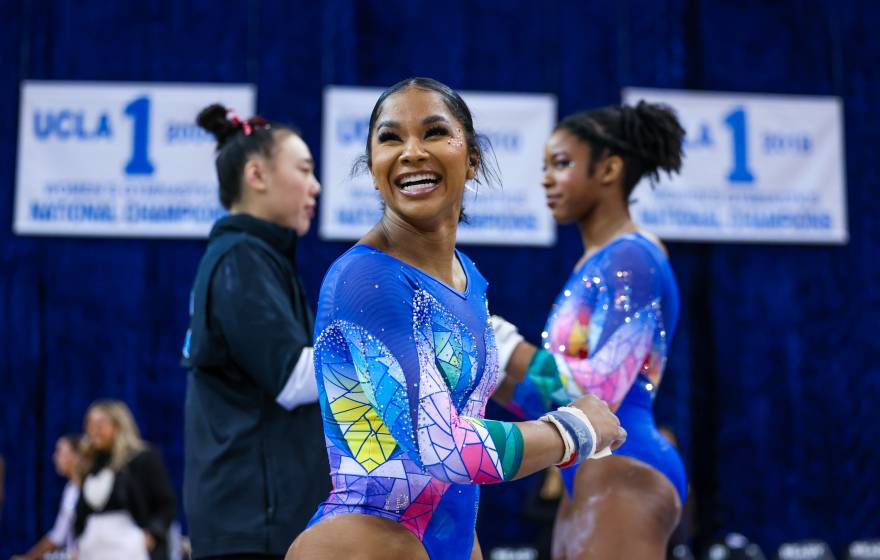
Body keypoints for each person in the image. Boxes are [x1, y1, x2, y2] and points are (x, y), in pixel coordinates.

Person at [288, 77, 627, 560]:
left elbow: (471, 420)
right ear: (373, 168)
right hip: (363, 542)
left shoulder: (468, 277)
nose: (411, 152)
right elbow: (441, 446)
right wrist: (574, 430)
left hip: (446, 540)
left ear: (472, 160)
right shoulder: (366, 278)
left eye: (434, 132)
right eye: (390, 138)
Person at [490, 101, 687, 559]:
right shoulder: (594, 262)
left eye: (561, 164)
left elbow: (600, 393)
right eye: (544, 167)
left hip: (628, 464)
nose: (546, 179)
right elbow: (559, 400)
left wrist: (501, 343)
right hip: (592, 464)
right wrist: (489, 369)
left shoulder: (632, 257)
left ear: (609, 169)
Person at [182, 104, 329, 559]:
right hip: (250, 527)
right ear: (256, 175)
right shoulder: (241, 259)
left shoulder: (257, 257)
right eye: (304, 169)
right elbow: (293, 378)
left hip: (258, 521)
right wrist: (392, 348)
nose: (316, 186)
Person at [74, 400, 176, 560]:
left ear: (118, 426)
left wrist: (151, 535)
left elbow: (166, 504)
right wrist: (80, 542)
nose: (92, 430)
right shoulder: (89, 464)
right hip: (93, 550)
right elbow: (81, 513)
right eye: (89, 424)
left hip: (132, 549)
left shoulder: (142, 459)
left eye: (100, 425)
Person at [10, 434, 82, 560]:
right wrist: (27, 558)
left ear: (76, 456)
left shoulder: (88, 488)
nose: (54, 457)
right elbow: (58, 535)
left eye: (59, 452)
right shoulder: (70, 489)